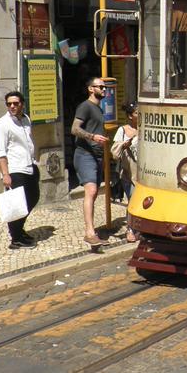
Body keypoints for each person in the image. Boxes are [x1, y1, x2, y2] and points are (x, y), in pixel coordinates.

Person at [0, 91, 39, 249]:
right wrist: (5, 174)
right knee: (16, 204)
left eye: (15, 103)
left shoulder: (26, 120)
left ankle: (19, 230)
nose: (12, 106)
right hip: (15, 169)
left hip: (30, 166)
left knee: (33, 198)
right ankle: (16, 238)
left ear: (22, 104)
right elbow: (0, 153)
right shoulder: (2, 124)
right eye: (9, 104)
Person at [71, 77, 108, 247]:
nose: (104, 89)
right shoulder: (85, 106)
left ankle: (91, 228)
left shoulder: (99, 109)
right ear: (91, 89)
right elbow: (74, 129)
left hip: (98, 155)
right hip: (85, 154)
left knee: (93, 193)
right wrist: (92, 136)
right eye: (100, 86)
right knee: (91, 190)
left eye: (104, 86)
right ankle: (89, 232)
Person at [111, 102, 140, 243]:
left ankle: (139, 228)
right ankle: (130, 229)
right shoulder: (122, 130)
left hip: (143, 172)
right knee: (132, 200)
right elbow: (114, 151)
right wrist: (125, 144)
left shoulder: (145, 128)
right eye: (136, 113)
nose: (139, 115)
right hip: (128, 171)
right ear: (130, 116)